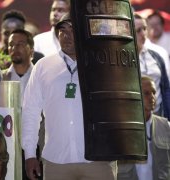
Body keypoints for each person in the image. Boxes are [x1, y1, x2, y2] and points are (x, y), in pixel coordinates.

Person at [22, 13, 117, 180]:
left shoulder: (101, 63)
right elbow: (30, 112)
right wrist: (29, 154)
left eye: (72, 30)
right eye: (62, 30)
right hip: (56, 162)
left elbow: (119, 108)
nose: (66, 36)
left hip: (98, 160)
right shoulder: (43, 66)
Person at [117, 76, 170, 180]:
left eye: (154, 92)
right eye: (146, 93)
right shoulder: (119, 129)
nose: (152, 97)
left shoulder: (166, 126)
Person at [134, 14, 170, 120]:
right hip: (137, 117)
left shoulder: (157, 55)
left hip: (159, 115)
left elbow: (166, 88)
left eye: (144, 29)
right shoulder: (125, 59)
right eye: (138, 30)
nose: (143, 34)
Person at [3, 29, 34, 102]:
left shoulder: (41, 77)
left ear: (31, 51)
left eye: (20, 44)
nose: (14, 48)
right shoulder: (0, 78)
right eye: (11, 45)